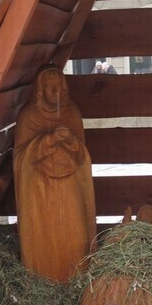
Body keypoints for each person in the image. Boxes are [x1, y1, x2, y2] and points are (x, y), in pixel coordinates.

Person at [13, 65, 96, 282]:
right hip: (40, 189)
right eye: (50, 88)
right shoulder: (29, 117)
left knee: (76, 235)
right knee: (44, 235)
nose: (56, 92)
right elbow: (21, 157)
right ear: (40, 91)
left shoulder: (72, 113)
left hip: (70, 185)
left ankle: (76, 279)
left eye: (59, 87)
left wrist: (71, 141)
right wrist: (47, 141)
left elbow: (82, 158)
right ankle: (44, 282)